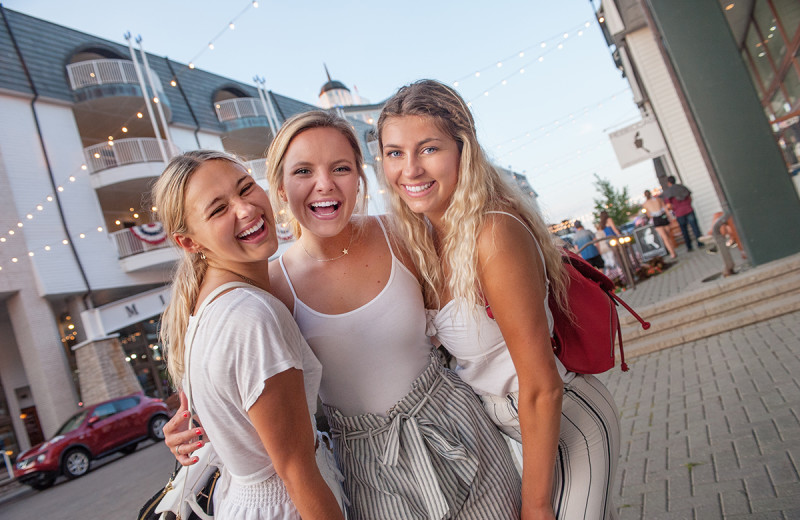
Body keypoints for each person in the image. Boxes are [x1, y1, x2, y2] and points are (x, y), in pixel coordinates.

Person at [165, 112, 522, 520]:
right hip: (367, 469)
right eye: (303, 171)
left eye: (341, 168)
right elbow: (242, 399)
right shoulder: (272, 290)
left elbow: (480, 315)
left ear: (359, 177)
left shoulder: (405, 235)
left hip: (459, 430)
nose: (325, 184)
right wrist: (198, 433)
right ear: (280, 186)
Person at [378, 80, 621, 520]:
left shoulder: (493, 232)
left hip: (563, 421)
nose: (410, 169)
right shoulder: (425, 238)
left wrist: (536, 504)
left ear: (463, 150)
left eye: (428, 149)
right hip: (505, 431)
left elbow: (543, 384)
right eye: (395, 153)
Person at [153, 151, 344, 519]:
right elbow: (295, 471)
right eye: (218, 209)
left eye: (245, 188)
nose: (246, 209)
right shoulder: (249, 316)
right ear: (189, 242)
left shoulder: (206, 303)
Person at [662, 175, 704, 251]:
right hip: (689, 209)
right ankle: (700, 243)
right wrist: (688, 205)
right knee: (695, 227)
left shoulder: (668, 192)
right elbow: (690, 198)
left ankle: (689, 247)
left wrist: (674, 209)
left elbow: (669, 206)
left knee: (684, 230)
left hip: (679, 213)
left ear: (668, 183)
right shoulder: (682, 187)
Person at [642, 190, 677, 259]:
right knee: (668, 235)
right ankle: (673, 250)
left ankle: (672, 253)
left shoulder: (645, 204)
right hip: (663, 217)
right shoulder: (658, 199)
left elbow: (649, 215)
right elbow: (665, 209)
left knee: (664, 238)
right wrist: (670, 217)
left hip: (656, 219)